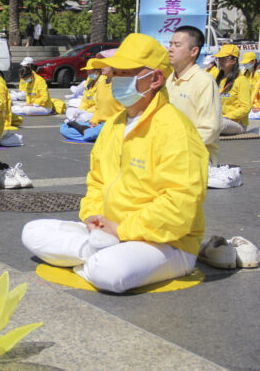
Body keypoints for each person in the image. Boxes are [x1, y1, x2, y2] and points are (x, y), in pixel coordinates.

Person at [22, 33, 208, 293]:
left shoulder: (176, 130)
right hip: (109, 231)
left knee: (108, 272)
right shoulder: (114, 125)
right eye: (116, 72)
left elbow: (180, 204)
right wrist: (93, 218)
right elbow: (96, 181)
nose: (115, 80)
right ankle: (94, 251)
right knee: (32, 231)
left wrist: (124, 229)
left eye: (125, 73)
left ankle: (93, 256)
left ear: (154, 79)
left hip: (165, 241)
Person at [166, 26, 222, 166]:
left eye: (177, 45)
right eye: (170, 44)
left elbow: (210, 130)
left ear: (194, 51)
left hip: (195, 156)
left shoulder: (204, 81)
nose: (170, 49)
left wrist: (176, 147)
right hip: (168, 152)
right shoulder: (168, 80)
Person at [214, 45, 252, 135]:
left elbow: (246, 108)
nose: (220, 61)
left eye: (224, 58)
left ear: (234, 60)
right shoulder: (219, 79)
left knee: (218, 124)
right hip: (219, 118)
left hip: (236, 123)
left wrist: (227, 117)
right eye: (219, 58)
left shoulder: (241, 81)